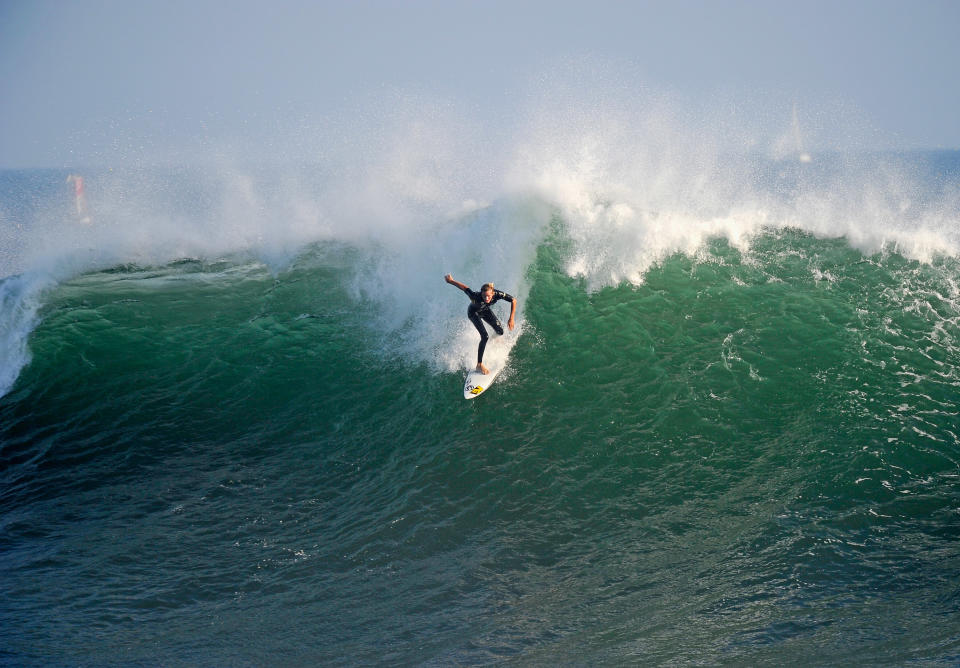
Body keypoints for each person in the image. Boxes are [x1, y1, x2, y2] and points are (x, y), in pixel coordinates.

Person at [445, 273, 517, 375]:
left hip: (485, 311)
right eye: (484, 296)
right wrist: (451, 281)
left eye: (488, 296)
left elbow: (513, 300)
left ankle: (492, 341)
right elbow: (465, 288)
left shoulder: (498, 294)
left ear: (492, 293)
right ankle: (479, 364)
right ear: (481, 294)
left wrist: (511, 318)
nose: (486, 298)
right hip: (473, 313)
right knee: (485, 336)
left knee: (500, 332)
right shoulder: (475, 296)